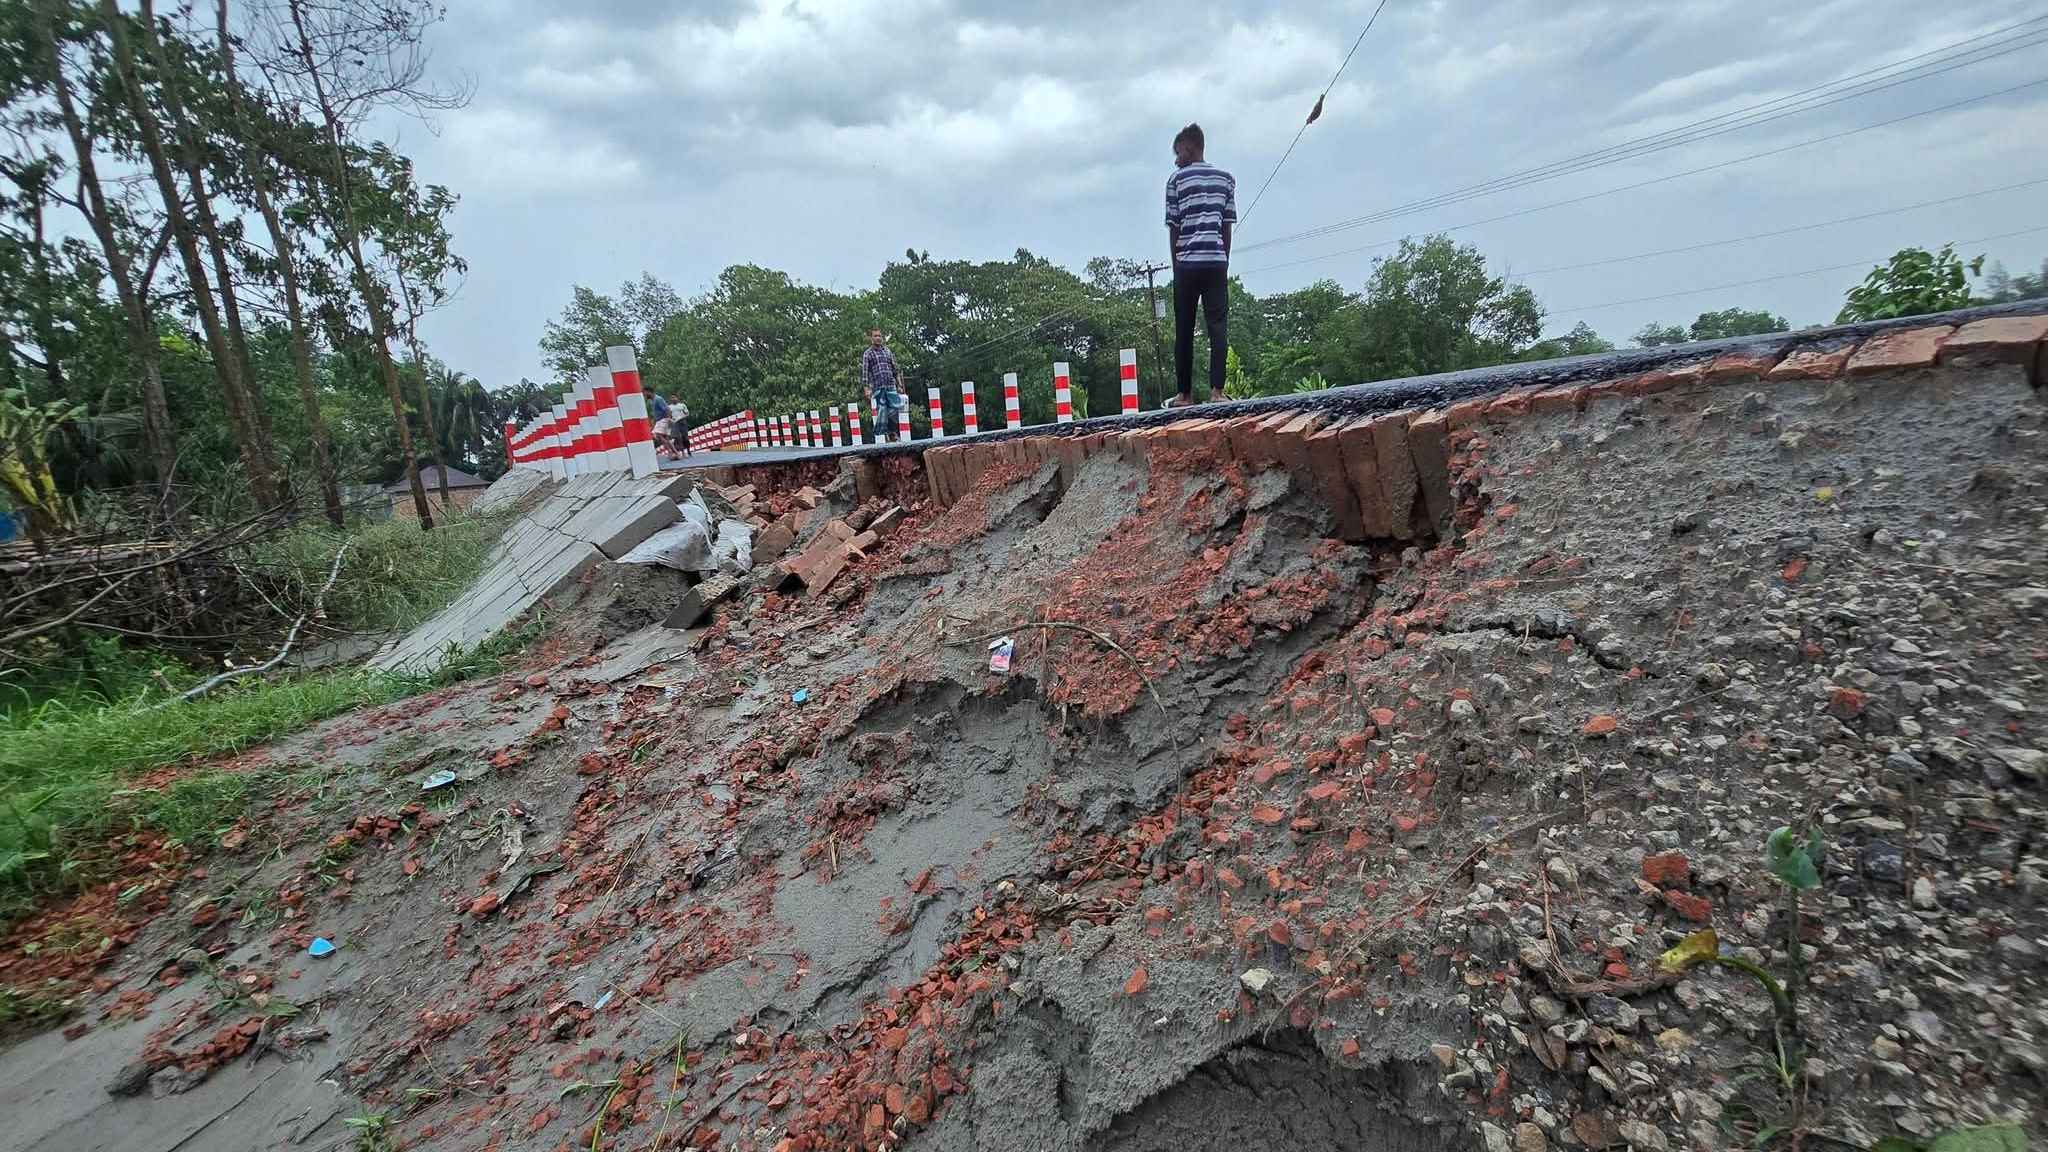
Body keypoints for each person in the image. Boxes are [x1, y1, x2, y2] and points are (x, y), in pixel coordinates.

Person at [1163, 122, 1234, 408]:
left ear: (1190, 147)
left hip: (1187, 264)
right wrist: (1224, 259)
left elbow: (1174, 227)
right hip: (1216, 261)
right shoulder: (1226, 179)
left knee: (1184, 329)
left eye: (1178, 152)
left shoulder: (1176, 180)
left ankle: (1185, 395)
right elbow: (1227, 225)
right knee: (1218, 326)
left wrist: (1176, 264)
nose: (1176, 159)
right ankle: (1217, 392)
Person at [861, 329, 905, 441]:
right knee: (883, 409)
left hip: (891, 384)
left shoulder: (887, 351)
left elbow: (895, 369)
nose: (878, 338)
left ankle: (886, 430)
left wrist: (899, 384)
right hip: (878, 386)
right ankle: (891, 433)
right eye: (875, 336)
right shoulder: (868, 353)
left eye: (880, 336)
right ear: (871, 338)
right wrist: (866, 389)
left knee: (895, 408)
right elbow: (865, 373)